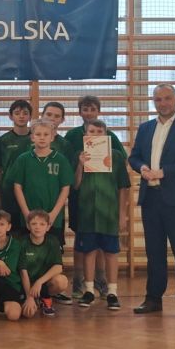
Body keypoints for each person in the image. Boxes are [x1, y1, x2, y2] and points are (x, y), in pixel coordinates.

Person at [128, 84, 175, 319]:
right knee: (154, 252)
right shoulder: (146, 127)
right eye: (158, 99)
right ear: (154, 102)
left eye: (167, 98)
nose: (163, 103)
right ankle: (153, 298)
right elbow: (134, 157)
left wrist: (163, 172)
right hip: (151, 198)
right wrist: (142, 167)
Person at [63, 95, 125, 303]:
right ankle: (81, 284)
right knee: (85, 245)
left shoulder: (114, 149)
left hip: (108, 207)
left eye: (92, 109)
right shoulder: (73, 137)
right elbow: (73, 179)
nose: (89, 113)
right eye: (85, 109)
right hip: (83, 204)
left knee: (108, 248)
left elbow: (122, 181)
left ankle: (105, 284)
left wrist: (122, 213)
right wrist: (80, 164)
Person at [74, 119, 130, 310]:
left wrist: (122, 215)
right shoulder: (80, 155)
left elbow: (123, 187)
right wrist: (80, 165)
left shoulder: (116, 156)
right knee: (88, 251)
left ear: (106, 135)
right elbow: (76, 185)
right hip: (88, 213)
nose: (95, 135)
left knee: (111, 252)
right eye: (92, 131)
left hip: (109, 213)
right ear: (86, 134)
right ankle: (89, 290)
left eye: (99, 132)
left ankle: (112, 291)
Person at [6, 120, 72, 245]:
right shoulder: (23, 159)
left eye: (46, 134)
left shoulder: (60, 159)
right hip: (29, 216)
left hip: (53, 218)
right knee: (27, 251)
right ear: (32, 137)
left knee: (53, 251)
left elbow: (65, 188)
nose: (42, 137)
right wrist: (26, 213)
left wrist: (53, 214)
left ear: (52, 137)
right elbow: (17, 187)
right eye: (38, 134)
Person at [19, 210, 70, 318]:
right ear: (28, 226)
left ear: (48, 227)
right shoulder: (22, 243)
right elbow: (23, 272)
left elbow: (58, 267)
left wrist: (39, 282)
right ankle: (31, 297)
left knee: (62, 281)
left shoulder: (53, 241)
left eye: (42, 224)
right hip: (25, 283)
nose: (38, 227)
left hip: (42, 283)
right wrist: (29, 297)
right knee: (28, 314)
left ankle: (44, 297)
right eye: (34, 224)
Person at [0, 99, 33, 230]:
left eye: (25, 113)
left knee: (30, 229)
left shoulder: (36, 139)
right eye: (17, 113)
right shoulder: (3, 140)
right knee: (11, 230)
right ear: (10, 116)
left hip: (30, 191)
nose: (21, 116)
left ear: (30, 116)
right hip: (8, 192)